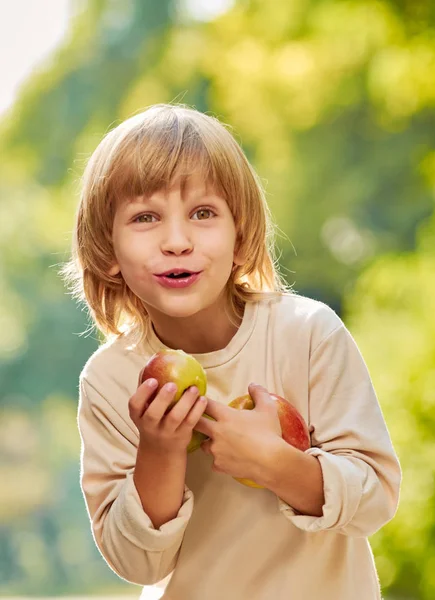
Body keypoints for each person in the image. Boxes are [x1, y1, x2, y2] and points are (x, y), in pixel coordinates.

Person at [61, 103, 402, 600]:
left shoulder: (308, 335)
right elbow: (137, 563)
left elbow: (375, 499)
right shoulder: (112, 380)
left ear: (240, 235)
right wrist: (159, 450)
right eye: (145, 217)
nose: (176, 241)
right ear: (107, 252)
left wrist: (273, 462)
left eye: (203, 213)